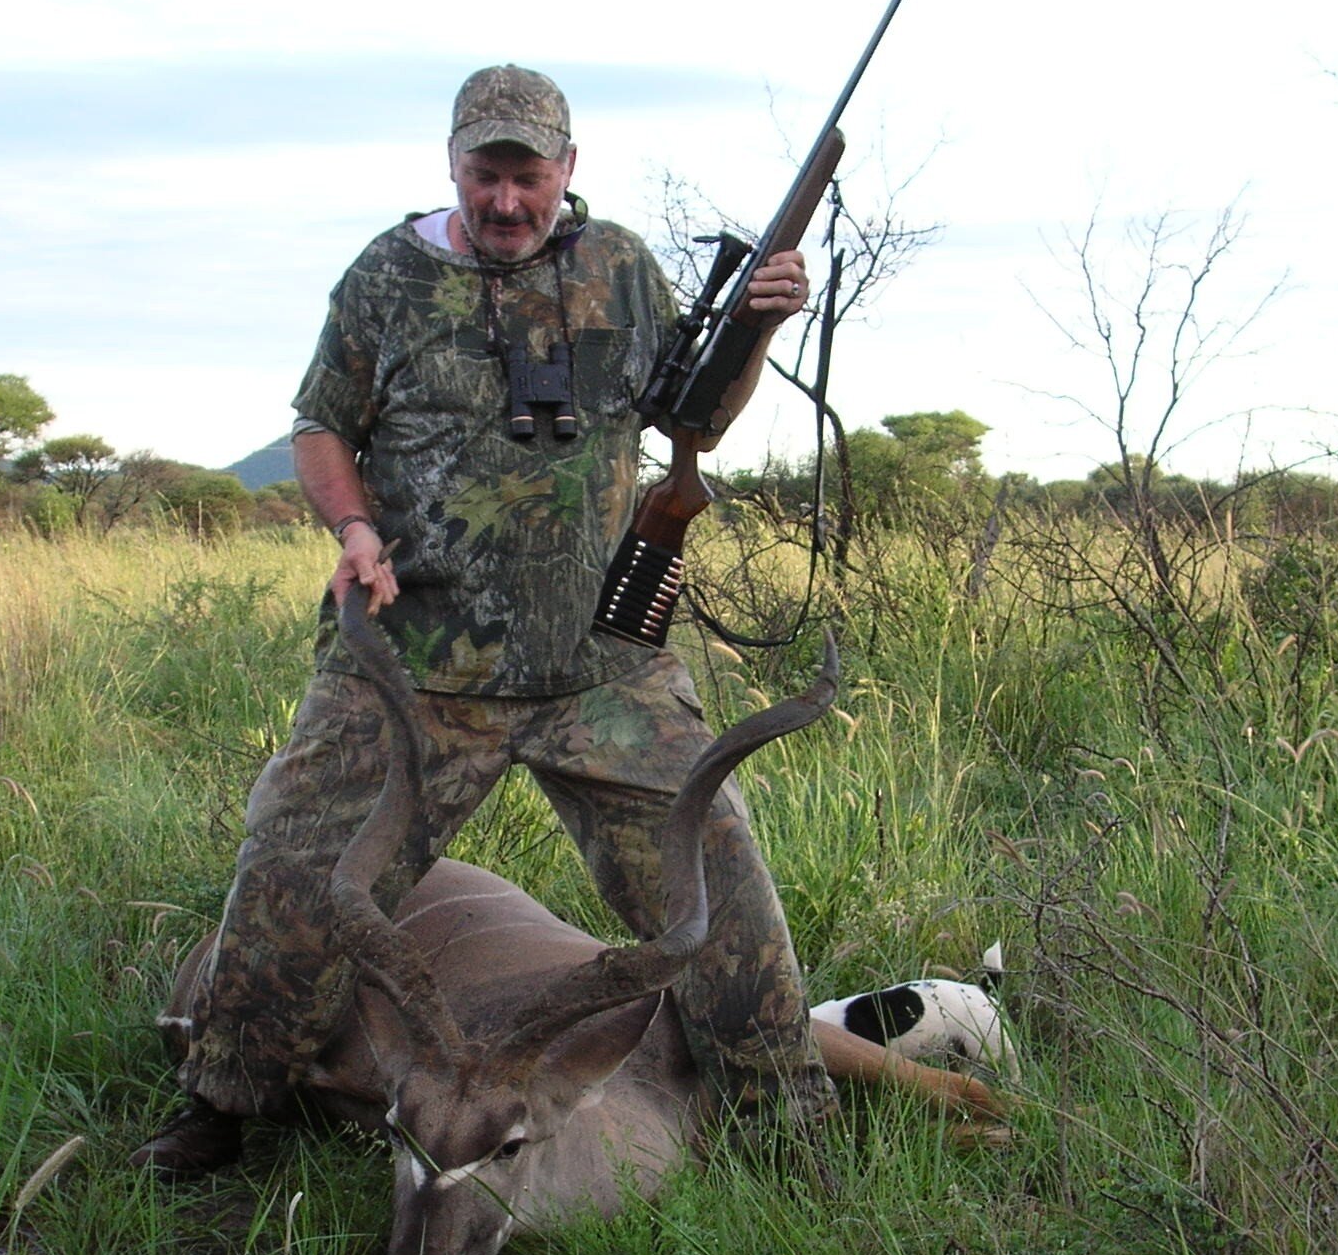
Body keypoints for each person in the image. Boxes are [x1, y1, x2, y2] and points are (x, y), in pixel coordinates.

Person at [135, 63, 829, 1175]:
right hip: (415, 665)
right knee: (293, 870)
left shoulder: (620, 269)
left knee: (718, 873)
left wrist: (756, 327)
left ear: (567, 169)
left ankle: (783, 1114)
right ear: (452, 165)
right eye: (485, 172)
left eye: (528, 174)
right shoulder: (386, 275)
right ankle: (225, 1098)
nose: (507, 199)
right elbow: (319, 424)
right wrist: (353, 528)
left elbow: (698, 414)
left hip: (600, 667)